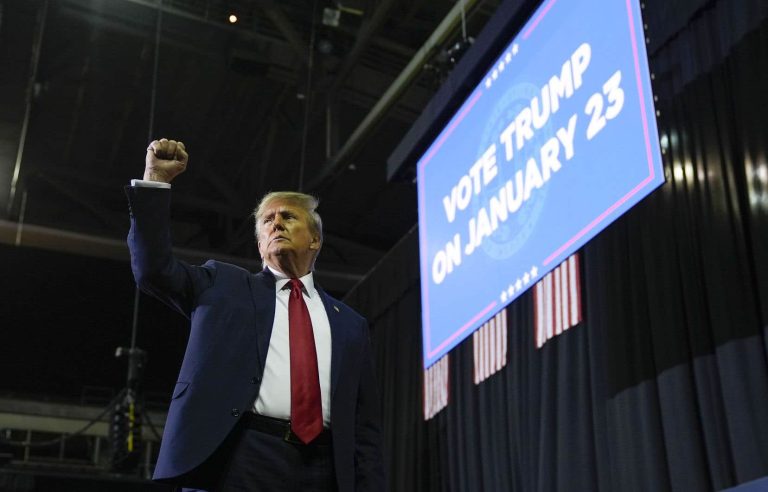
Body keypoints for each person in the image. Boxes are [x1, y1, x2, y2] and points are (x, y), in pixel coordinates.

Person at [126, 138, 385, 491]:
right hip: (243, 454)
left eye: (288, 217)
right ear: (260, 244)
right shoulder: (222, 283)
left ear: (315, 240)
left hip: (325, 468)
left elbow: (364, 426)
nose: (275, 223)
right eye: (267, 220)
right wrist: (155, 180)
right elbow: (153, 270)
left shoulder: (350, 324)